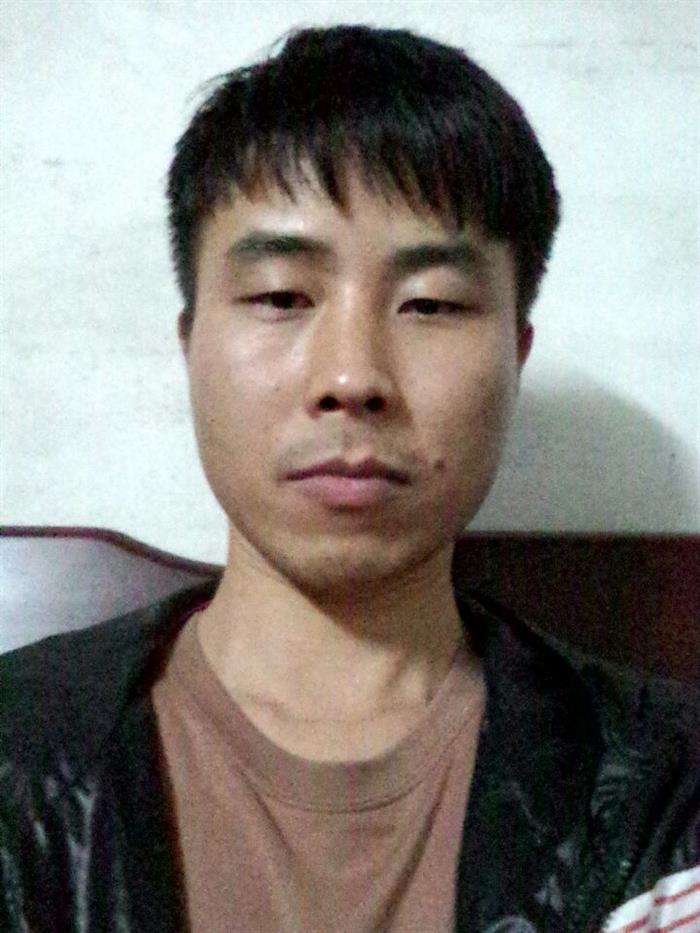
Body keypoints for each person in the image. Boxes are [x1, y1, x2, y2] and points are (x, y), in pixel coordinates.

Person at [1, 24, 698, 933]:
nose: (351, 376)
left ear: (516, 354)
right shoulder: (14, 759)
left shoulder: (665, 799)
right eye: (281, 296)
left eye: (431, 304)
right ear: (190, 342)